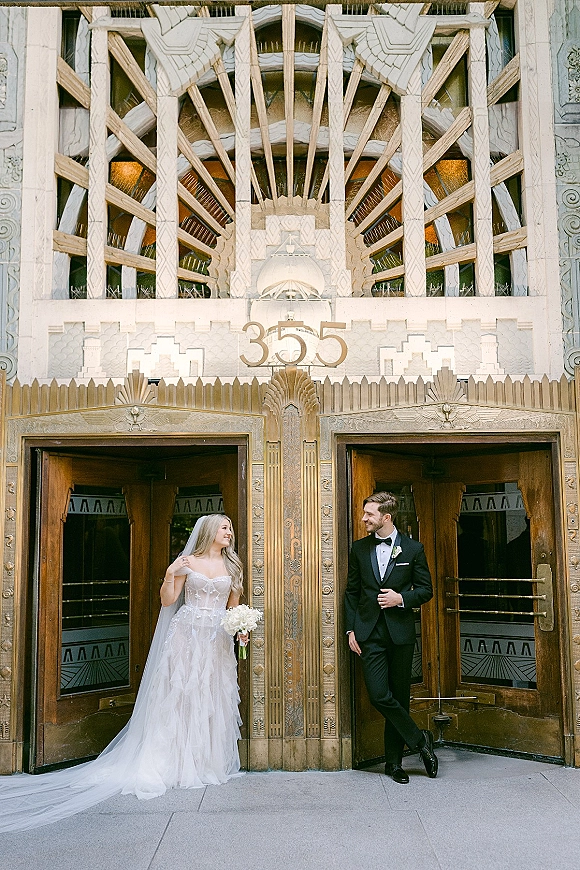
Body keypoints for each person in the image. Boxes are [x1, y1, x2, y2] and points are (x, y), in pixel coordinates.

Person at [0, 513, 246, 831]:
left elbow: (233, 608)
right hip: (186, 636)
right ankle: (175, 762)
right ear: (210, 531)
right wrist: (171, 572)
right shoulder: (189, 561)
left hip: (216, 642)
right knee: (181, 695)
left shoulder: (233, 566)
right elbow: (168, 600)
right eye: (224, 527)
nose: (229, 532)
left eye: (230, 527)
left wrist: (241, 630)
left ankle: (205, 762)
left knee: (210, 697)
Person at [345, 492, 438, 784]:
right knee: (379, 695)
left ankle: (394, 764)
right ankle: (420, 740)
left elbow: (426, 590)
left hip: (400, 634)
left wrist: (401, 598)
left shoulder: (413, 549)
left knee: (399, 697)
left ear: (386, 517)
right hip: (368, 633)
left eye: (369, 515)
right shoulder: (359, 549)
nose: (364, 519)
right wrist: (350, 629)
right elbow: (352, 592)